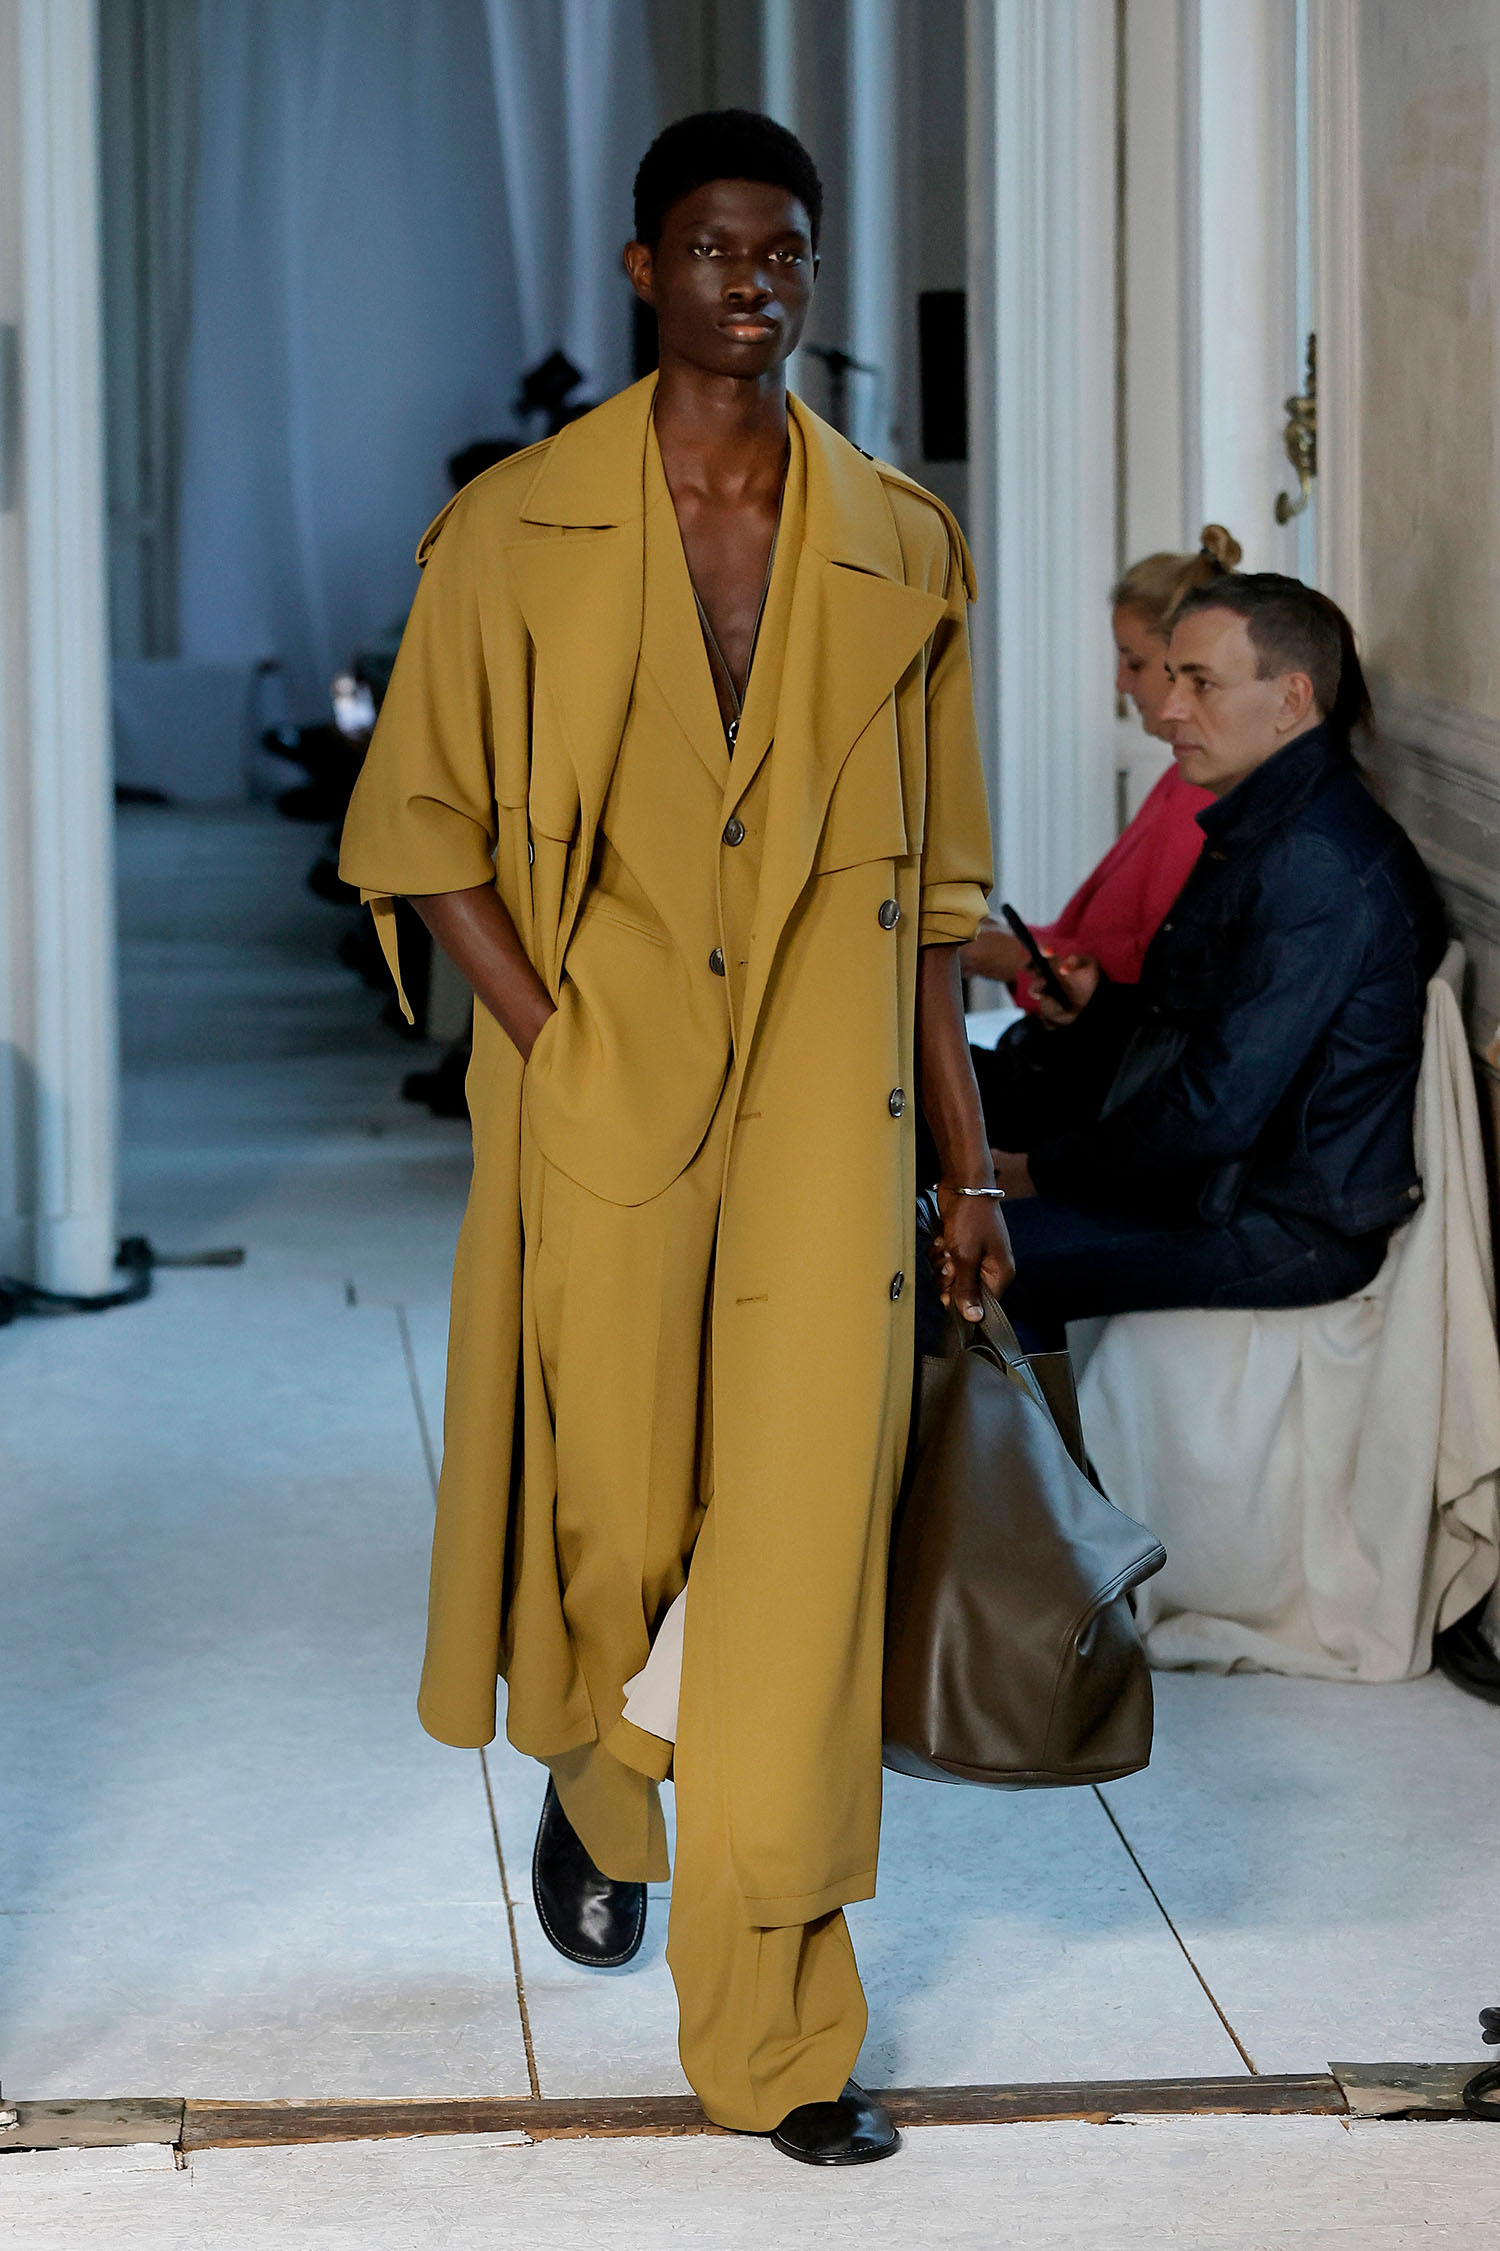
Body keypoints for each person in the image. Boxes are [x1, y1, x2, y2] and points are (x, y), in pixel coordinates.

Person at [337, 109, 1007, 2165]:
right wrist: (551, 1044)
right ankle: (607, 1764)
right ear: (645, 270)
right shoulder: (519, 528)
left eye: (786, 252)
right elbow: (423, 830)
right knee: (616, 1516)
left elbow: (934, 904)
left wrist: (967, 1165)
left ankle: (782, 2036)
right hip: (605, 1087)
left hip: (829, 1106)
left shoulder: (899, 540)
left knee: (798, 1560)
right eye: (718, 248)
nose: (758, 282)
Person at [989, 573, 1446, 1349]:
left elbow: (1214, 1108)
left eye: (1201, 684)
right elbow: (1195, 1025)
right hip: (1220, 1184)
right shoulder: (1266, 816)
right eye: (1172, 681)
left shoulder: (1315, 861)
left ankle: (1045, 1472)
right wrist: (1097, 1008)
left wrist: (1040, 1170)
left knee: (965, 1260)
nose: (1168, 709)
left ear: (1291, 699)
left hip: (1284, 1223)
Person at [954, 528, 1239, 1154]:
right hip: (1070, 1062)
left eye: (1134, 662)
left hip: (1092, 1089)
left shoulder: (1203, 794)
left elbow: (1142, 979)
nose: (1121, 683)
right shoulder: (1181, 777)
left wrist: (1013, 961)